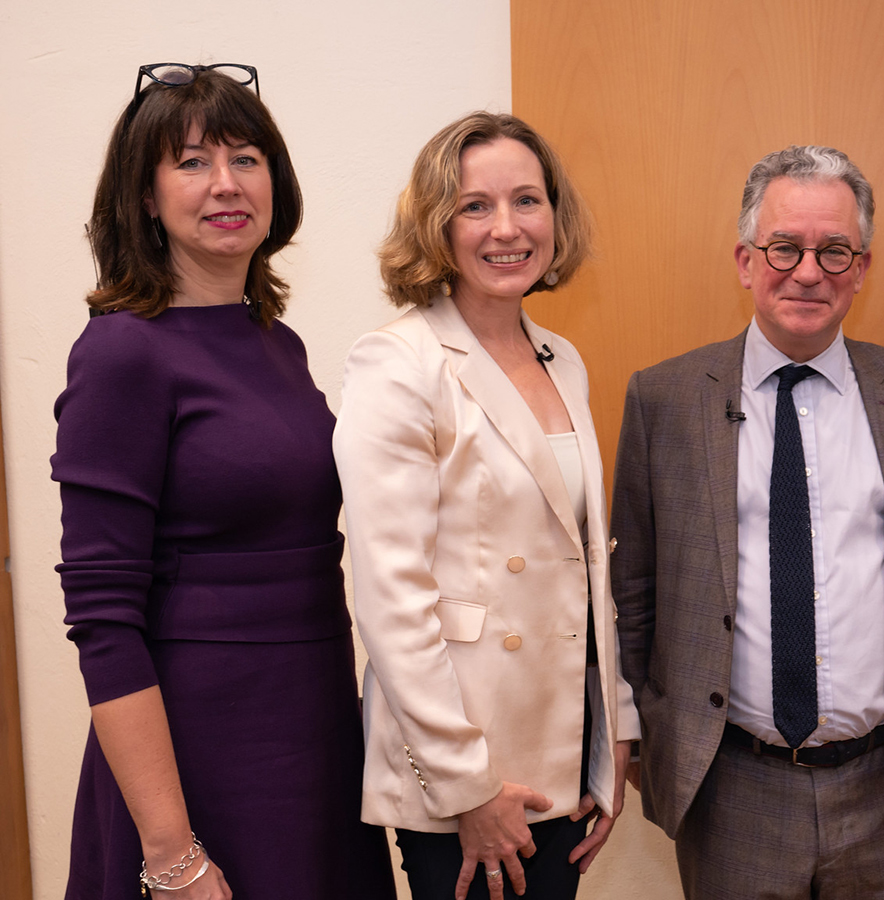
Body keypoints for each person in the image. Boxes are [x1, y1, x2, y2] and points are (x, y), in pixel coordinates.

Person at [53, 63, 396, 898]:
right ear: (144, 193)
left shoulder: (277, 341)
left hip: (312, 734)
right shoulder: (122, 352)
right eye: (193, 161)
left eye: (247, 158)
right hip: (195, 757)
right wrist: (171, 851)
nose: (225, 184)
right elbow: (103, 621)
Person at [609, 144, 884, 899]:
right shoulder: (663, 400)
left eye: (834, 250)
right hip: (732, 786)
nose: (809, 272)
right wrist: (647, 732)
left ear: (862, 268)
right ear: (746, 260)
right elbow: (634, 588)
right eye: (784, 247)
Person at [333, 111, 639, 900]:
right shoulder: (399, 363)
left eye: (527, 201)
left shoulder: (562, 358)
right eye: (475, 206)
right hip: (465, 774)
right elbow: (392, 600)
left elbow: (582, 571)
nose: (506, 228)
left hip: (561, 748)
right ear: (438, 225)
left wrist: (614, 736)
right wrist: (468, 787)